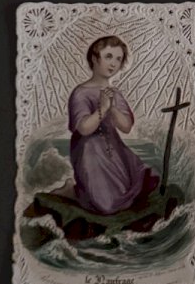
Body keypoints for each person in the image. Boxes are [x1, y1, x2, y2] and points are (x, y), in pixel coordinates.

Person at [68, 36, 158, 215]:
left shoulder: (114, 93)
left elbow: (126, 127)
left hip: (115, 149)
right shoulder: (80, 93)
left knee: (144, 181)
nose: (114, 63)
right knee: (106, 204)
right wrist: (102, 108)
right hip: (89, 150)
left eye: (118, 59)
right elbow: (84, 128)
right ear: (94, 58)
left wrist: (113, 108)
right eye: (108, 56)